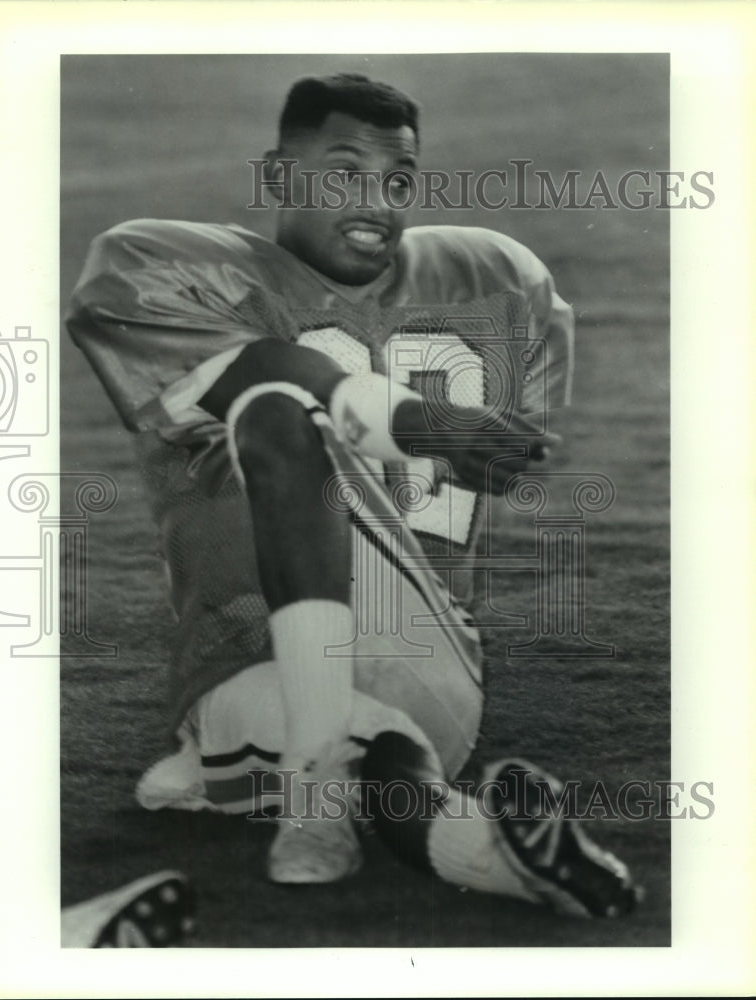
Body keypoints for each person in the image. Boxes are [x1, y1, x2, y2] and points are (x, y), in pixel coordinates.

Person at [67, 73, 640, 917]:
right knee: (379, 752)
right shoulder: (166, 262)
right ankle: (487, 854)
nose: (374, 201)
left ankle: (280, 786)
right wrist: (426, 421)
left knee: (282, 418)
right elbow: (264, 368)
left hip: (430, 644)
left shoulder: (495, 274)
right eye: (342, 173)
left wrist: (461, 439)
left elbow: (508, 454)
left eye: (397, 180)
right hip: (261, 667)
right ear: (274, 179)